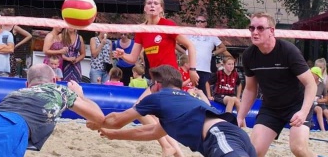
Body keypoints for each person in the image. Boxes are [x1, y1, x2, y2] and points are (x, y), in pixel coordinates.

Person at [87, 65, 256, 157]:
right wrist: (113, 135)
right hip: (235, 137)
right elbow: (153, 131)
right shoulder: (181, 102)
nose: (150, 87)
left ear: (158, 84)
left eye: (151, 84)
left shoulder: (158, 97)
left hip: (219, 136)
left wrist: (97, 119)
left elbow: (116, 121)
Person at [112, 0, 199, 157]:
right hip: (156, 78)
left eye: (156, 3)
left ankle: (168, 146)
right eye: (149, 3)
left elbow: (190, 45)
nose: (152, 5)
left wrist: (192, 70)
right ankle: (174, 150)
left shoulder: (167, 25)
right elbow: (132, 59)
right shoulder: (141, 30)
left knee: (140, 109)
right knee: (150, 114)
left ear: (161, 9)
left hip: (170, 76)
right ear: (144, 7)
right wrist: (121, 54)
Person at [0, 63, 105, 157]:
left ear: (27, 84)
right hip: (10, 125)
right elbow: (98, 117)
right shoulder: (58, 90)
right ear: (54, 80)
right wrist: (80, 96)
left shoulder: (18, 92)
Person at [237, 12, 317, 157]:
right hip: (271, 108)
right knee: (253, 152)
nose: (255, 32)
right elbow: (250, 89)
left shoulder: (288, 51)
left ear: (272, 31)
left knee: (298, 149)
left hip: (297, 105)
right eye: (252, 28)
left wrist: (303, 112)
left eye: (260, 28)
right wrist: (240, 116)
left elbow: (311, 84)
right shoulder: (249, 55)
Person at [177, 14, 228, 96]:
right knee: (190, 92)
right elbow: (175, 43)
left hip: (205, 69)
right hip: (190, 68)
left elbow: (223, 48)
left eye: (202, 21)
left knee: (203, 93)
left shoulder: (212, 35)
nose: (199, 23)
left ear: (206, 23)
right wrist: (184, 52)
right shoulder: (189, 34)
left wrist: (213, 53)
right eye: (197, 21)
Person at [0, 9, 32, 77]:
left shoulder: (14, 27)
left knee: (10, 72)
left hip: (10, 54)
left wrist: (17, 45)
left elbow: (29, 36)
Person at [311, 65, 328, 131]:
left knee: (326, 111)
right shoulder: (308, 84)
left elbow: (326, 99)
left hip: (319, 103)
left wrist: (318, 100)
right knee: (319, 109)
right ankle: (322, 129)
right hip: (311, 104)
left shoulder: (322, 85)